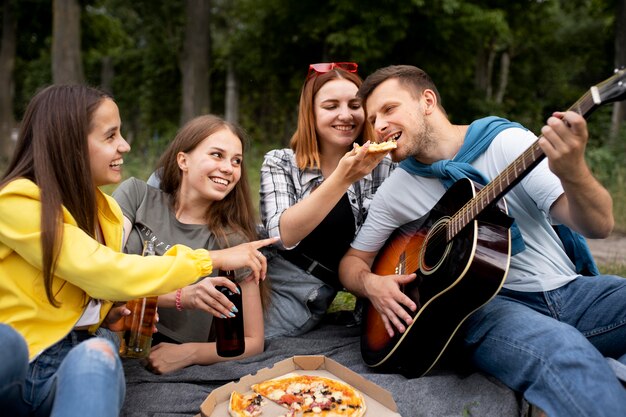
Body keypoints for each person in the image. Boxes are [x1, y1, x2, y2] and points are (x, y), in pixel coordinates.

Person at [338, 65, 626, 417]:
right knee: (563, 351)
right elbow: (352, 263)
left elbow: (598, 225)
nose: (378, 125)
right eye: (371, 120)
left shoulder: (507, 144)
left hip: (568, 292)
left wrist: (574, 172)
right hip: (483, 311)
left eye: (389, 109)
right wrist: (371, 284)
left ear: (427, 101)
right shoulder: (395, 191)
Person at [0, 85, 276, 417]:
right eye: (111, 136)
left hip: (77, 357)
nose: (125, 146)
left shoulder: (106, 212)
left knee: (98, 353)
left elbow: (96, 287)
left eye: (237, 161)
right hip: (19, 361)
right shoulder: (18, 201)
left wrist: (107, 311)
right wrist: (201, 270)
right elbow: (103, 271)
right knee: (7, 342)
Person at [113, 114, 267, 374]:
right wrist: (181, 297)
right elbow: (102, 273)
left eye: (236, 161)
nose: (229, 168)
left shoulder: (233, 243)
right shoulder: (136, 196)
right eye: (217, 155)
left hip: (162, 358)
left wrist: (190, 353)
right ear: (183, 160)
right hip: (109, 335)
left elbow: (253, 342)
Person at [260, 62, 396, 339]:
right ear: (310, 113)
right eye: (331, 106)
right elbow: (282, 234)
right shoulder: (282, 162)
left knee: (237, 340)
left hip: (306, 292)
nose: (345, 115)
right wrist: (342, 178)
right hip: (270, 272)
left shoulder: (387, 166)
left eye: (355, 105)